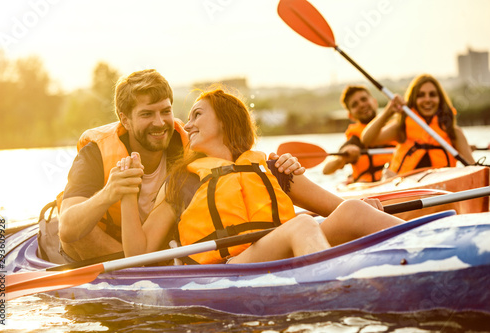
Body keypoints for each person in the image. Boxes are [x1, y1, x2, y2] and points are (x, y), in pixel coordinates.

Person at [119, 88, 404, 264]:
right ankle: (338, 289)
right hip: (234, 267)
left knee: (354, 208)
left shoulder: (271, 167)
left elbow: (339, 208)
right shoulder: (182, 180)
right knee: (302, 224)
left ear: (225, 120)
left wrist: (367, 205)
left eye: (196, 115)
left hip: (286, 253)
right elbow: (138, 254)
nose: (187, 125)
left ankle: (434, 245)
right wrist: (127, 194)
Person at [57, 70, 303, 262]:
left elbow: (234, 159)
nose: (159, 123)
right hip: (113, 243)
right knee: (80, 234)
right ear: (125, 120)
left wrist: (282, 167)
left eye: (165, 111)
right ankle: (143, 271)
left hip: (157, 242)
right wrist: (110, 193)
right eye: (146, 114)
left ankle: (151, 266)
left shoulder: (191, 145)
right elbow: (67, 228)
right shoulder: (95, 154)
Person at [361, 74, 475, 177]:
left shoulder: (454, 132)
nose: (427, 99)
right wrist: (388, 112)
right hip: (404, 187)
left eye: (432, 95)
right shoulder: (401, 128)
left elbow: (474, 169)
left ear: (440, 99)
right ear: (413, 100)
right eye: (421, 95)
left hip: (442, 188)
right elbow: (367, 139)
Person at [322, 85, 400, 183]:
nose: (361, 105)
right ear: (351, 115)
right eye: (355, 105)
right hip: (369, 186)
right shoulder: (355, 140)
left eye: (364, 99)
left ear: (375, 102)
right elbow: (326, 170)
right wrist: (342, 158)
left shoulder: (395, 129)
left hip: (399, 180)